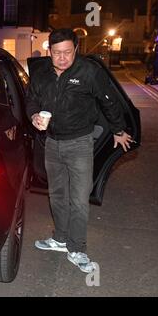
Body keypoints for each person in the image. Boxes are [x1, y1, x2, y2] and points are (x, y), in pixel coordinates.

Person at [25, 28, 133, 273]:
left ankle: (77, 248)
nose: (62, 58)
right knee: (57, 196)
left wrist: (118, 129)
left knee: (79, 200)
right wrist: (33, 116)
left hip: (80, 144)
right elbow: (31, 99)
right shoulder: (41, 72)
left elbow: (108, 100)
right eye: (56, 53)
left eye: (67, 52)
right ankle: (60, 239)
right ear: (48, 51)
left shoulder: (88, 71)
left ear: (76, 50)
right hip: (52, 143)